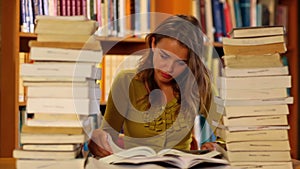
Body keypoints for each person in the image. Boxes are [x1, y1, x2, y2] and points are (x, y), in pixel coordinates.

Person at [88, 14, 216, 158]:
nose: (169, 68)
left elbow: (229, 132)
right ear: (153, 44)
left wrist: (218, 145)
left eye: (180, 63)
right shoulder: (126, 82)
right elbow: (106, 137)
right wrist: (97, 141)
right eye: (164, 56)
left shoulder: (199, 85)